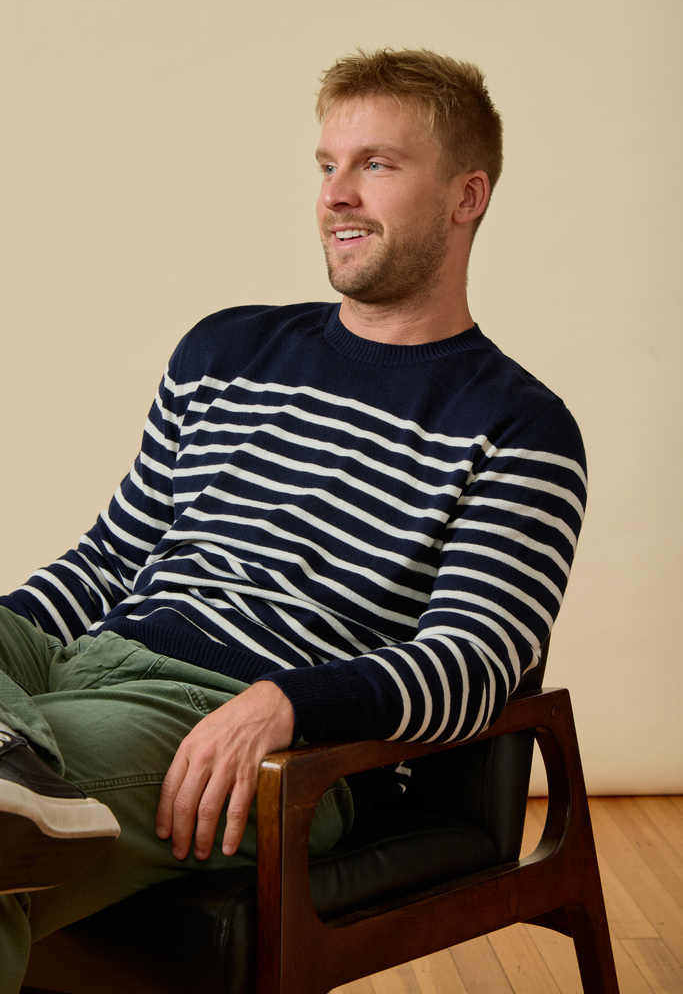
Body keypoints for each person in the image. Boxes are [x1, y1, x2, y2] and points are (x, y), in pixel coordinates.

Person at [0, 48, 586, 989]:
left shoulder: (518, 428)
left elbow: (477, 662)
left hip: (222, 722)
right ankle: (11, 753)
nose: (337, 194)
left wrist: (285, 704)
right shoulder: (225, 348)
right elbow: (113, 555)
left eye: (376, 165)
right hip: (77, 669)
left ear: (465, 195)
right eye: (326, 165)